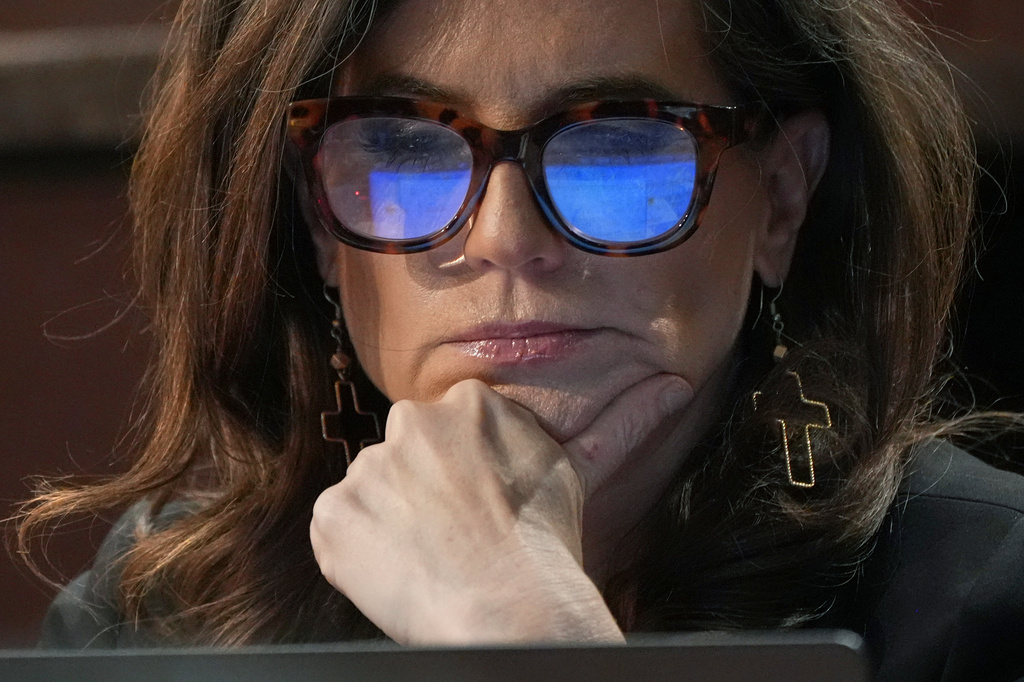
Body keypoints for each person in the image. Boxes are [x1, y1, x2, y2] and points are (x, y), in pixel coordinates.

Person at [15, 0, 1024, 678]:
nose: (504, 239)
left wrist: (532, 640)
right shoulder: (162, 607)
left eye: (614, 144)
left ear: (781, 198)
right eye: (406, 148)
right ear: (321, 225)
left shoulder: (991, 595)